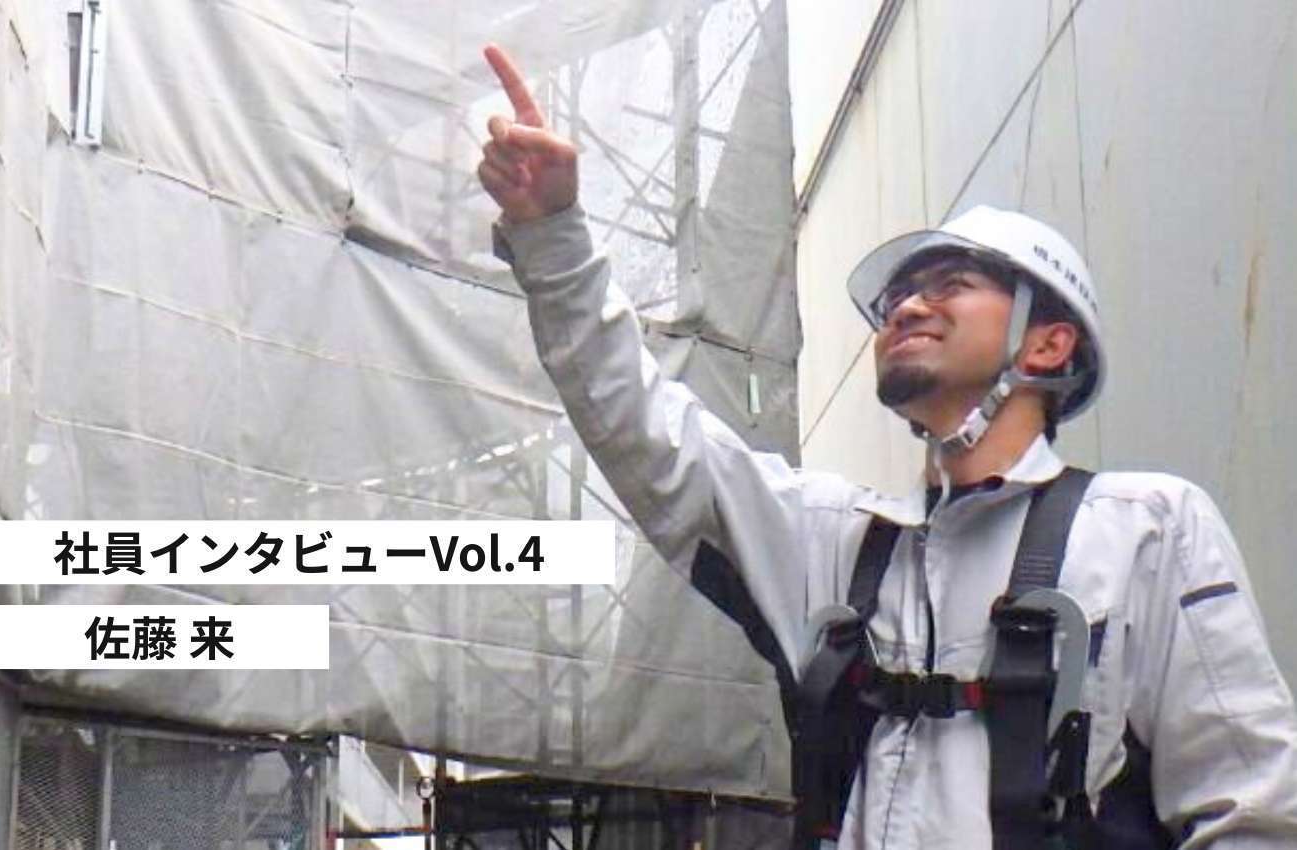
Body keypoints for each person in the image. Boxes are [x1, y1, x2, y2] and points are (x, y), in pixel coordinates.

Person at [475, 43, 1297, 849]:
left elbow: (1254, 812)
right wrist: (553, 236)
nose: (905, 307)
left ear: (1047, 345)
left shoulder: (1147, 531)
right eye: (899, 296)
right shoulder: (833, 544)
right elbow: (646, 430)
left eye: (952, 286)